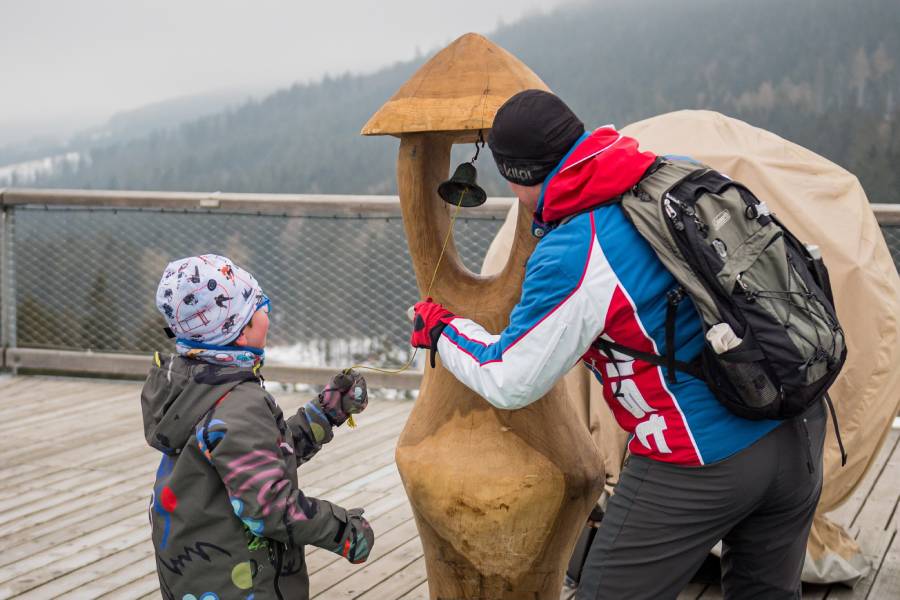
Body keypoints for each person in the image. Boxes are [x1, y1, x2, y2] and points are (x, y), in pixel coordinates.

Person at [410, 90, 825, 599]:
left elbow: (511, 377)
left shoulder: (577, 249)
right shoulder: (678, 172)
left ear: (517, 178)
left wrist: (442, 330)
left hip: (701, 458)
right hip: (797, 426)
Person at [142, 254, 374, 600]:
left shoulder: (190, 385)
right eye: (259, 306)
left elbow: (255, 459)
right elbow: (270, 507)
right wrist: (342, 529)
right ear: (239, 331)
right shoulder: (238, 402)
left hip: (196, 574)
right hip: (242, 583)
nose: (267, 312)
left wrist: (324, 415)